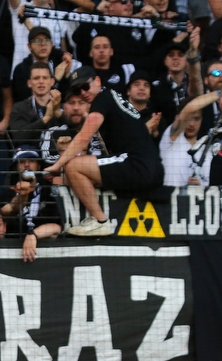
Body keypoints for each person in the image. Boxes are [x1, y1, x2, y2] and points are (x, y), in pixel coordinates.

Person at [47, 66, 164, 236]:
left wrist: (58, 164)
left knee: (73, 166)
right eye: (78, 90)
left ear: (97, 81)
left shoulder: (102, 98)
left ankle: (100, 221)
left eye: (85, 86)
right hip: (146, 165)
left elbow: (83, 137)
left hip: (136, 164)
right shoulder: (112, 97)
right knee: (80, 174)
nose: (83, 92)